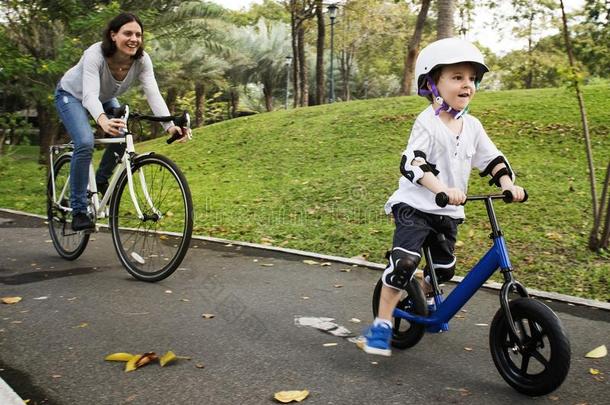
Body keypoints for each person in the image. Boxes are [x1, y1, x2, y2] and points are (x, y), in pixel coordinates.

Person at [363, 37, 525, 356]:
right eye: (457, 77)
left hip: (448, 213)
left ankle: (421, 296)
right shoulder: (427, 123)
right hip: (415, 207)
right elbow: (414, 162)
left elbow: (491, 159)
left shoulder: (473, 126)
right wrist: (441, 189)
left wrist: (506, 183)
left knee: (445, 268)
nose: (468, 85)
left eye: (471, 79)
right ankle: (381, 324)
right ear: (432, 84)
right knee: (404, 264)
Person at [54, 12, 190, 231]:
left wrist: (169, 126)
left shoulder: (142, 60)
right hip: (71, 95)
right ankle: (79, 210)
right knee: (85, 142)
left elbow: (153, 93)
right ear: (113, 35)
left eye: (138, 34)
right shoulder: (95, 54)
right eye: (127, 33)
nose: (133, 39)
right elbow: (89, 95)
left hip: (104, 98)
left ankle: (99, 181)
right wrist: (102, 120)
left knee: (122, 133)